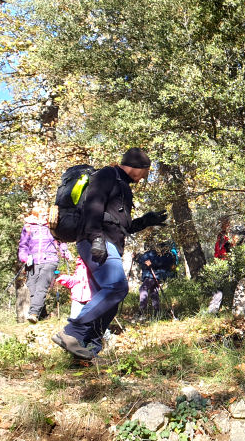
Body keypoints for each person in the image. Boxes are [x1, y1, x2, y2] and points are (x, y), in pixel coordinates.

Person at [52, 147, 168, 362]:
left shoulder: (123, 187)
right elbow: (92, 206)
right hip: (97, 241)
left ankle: (87, 353)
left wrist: (146, 221)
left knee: (107, 302)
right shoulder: (108, 174)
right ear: (138, 167)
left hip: (108, 242)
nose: (145, 177)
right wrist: (96, 238)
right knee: (116, 287)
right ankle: (72, 332)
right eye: (146, 172)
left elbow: (122, 225)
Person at [19, 200, 73, 323]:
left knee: (42, 286)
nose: (45, 216)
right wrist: (24, 257)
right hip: (32, 261)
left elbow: (61, 241)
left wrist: (65, 252)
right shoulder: (28, 227)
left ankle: (33, 313)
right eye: (42, 214)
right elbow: (23, 245)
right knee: (32, 288)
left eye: (46, 214)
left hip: (50, 259)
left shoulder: (52, 227)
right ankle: (43, 315)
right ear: (36, 215)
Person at [137, 240, 178, 315]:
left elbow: (163, 261)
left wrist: (152, 263)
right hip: (153, 274)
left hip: (155, 274)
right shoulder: (152, 251)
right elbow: (143, 260)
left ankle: (141, 312)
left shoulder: (164, 251)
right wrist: (136, 258)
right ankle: (157, 312)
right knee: (154, 291)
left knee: (143, 288)